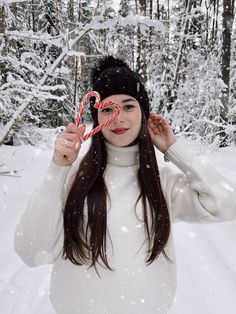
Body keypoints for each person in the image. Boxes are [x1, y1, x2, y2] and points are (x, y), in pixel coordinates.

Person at [14, 56, 236, 314]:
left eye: (128, 106)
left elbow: (227, 203)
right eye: (107, 109)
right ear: (97, 120)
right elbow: (31, 252)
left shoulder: (162, 183)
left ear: (144, 114)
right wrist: (57, 169)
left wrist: (174, 150)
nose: (118, 118)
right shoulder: (73, 179)